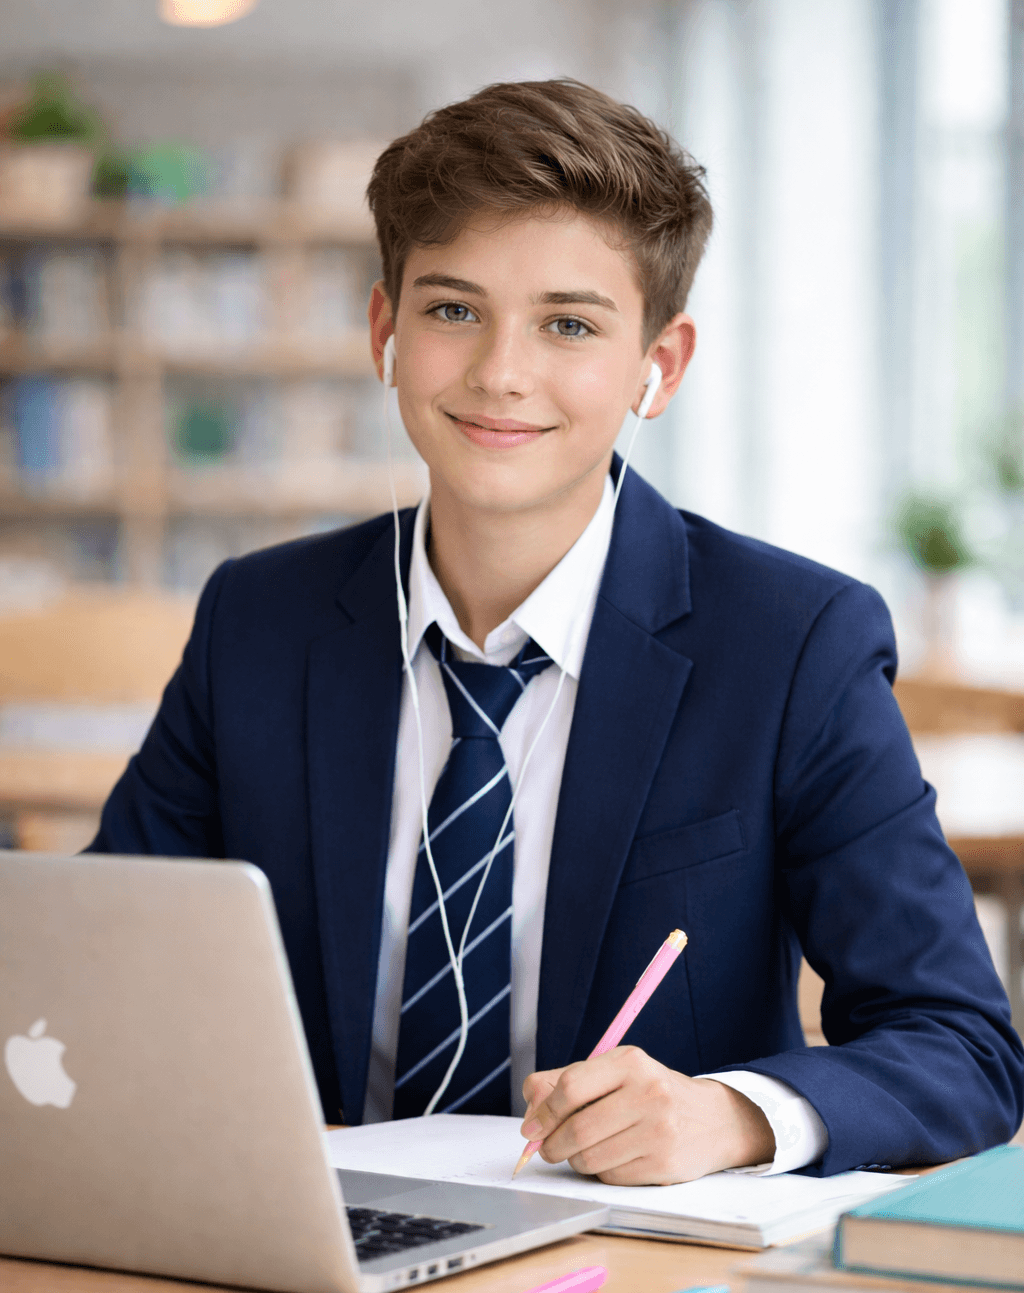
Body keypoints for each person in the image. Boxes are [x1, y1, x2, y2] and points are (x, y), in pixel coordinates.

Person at [89, 79, 1023, 1184]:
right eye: (451, 310)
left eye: (568, 324)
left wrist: (733, 1113)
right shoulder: (258, 619)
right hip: (310, 1251)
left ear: (657, 367)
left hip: (626, 1279)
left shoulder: (790, 643)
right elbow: (104, 973)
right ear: (384, 330)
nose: (500, 373)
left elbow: (960, 1046)